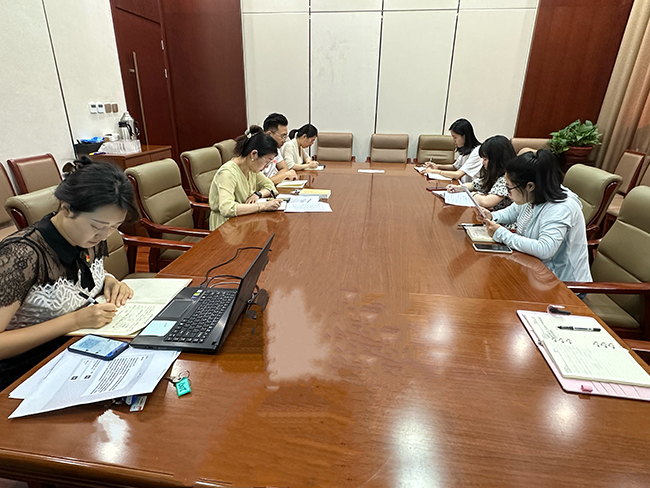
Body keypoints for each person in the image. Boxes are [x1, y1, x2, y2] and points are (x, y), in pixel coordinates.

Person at [0, 159, 138, 391]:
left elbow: (81, 276)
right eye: (97, 226)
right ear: (66, 208)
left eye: (115, 227)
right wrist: (74, 321)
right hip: (29, 371)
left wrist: (109, 280)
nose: (104, 236)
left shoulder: (90, 238)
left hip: (85, 350)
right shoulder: (21, 255)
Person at [475, 150, 592, 282]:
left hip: (561, 282)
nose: (507, 193)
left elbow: (545, 249)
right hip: (533, 270)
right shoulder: (535, 194)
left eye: (509, 188)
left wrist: (502, 234)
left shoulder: (561, 208)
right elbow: (512, 212)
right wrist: (491, 216)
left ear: (530, 186)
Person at [209, 125, 282, 230]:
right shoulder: (228, 173)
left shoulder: (251, 168)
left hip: (245, 220)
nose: (266, 166)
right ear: (254, 154)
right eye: (267, 161)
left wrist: (258, 194)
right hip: (226, 227)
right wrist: (263, 206)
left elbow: (270, 186)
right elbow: (227, 208)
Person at [446, 135, 515, 211]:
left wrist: (473, 194)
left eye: (485, 159)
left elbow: (486, 202)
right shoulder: (495, 175)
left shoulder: (506, 179)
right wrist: (459, 188)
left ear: (497, 161)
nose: (483, 163)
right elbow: (475, 184)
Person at [425, 118, 481, 183]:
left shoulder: (477, 152)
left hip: (473, 188)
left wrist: (434, 171)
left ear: (464, 136)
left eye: (455, 137)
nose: (453, 140)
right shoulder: (466, 150)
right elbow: (455, 167)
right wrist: (437, 166)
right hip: (462, 185)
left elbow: (458, 175)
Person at [261, 113, 299, 185]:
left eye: (285, 136)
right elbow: (258, 184)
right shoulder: (256, 151)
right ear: (269, 134)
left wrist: (278, 177)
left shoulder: (275, 149)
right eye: (282, 136)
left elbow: (284, 168)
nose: (284, 140)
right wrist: (283, 176)